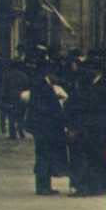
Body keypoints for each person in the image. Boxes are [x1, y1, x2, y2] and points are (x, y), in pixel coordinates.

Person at [21, 66, 70, 196]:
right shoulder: (43, 87)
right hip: (45, 128)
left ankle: (45, 185)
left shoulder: (41, 85)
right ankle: (42, 187)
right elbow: (45, 108)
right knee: (44, 156)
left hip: (41, 128)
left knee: (44, 155)